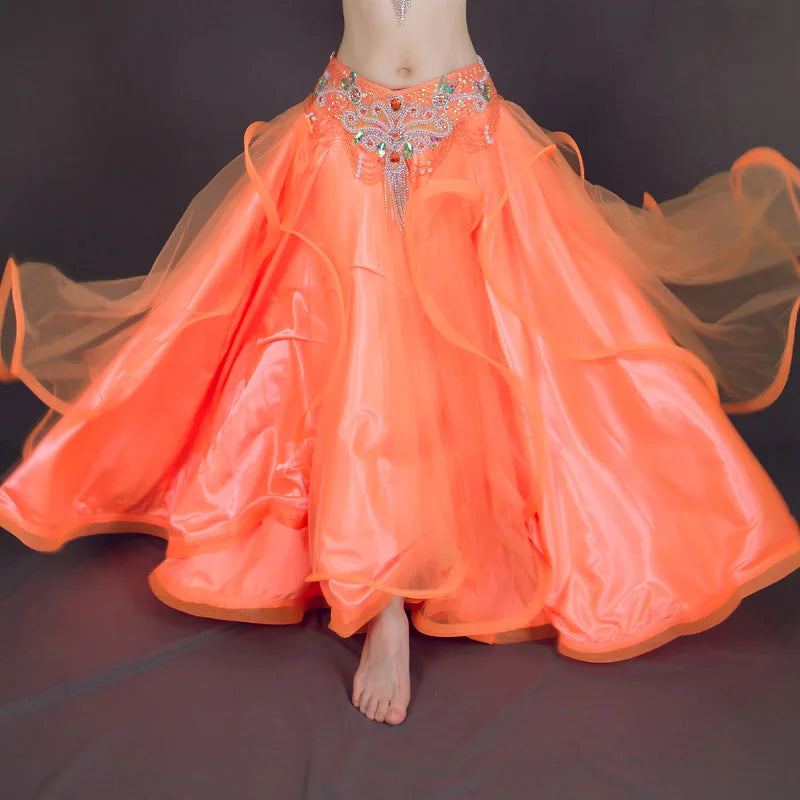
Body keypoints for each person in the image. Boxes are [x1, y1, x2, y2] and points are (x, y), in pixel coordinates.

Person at [2, 0, 800, 727]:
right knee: (365, 357)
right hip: (346, 128)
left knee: (511, 355)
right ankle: (382, 605)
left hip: (465, 129)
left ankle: (498, 547)